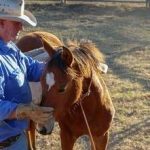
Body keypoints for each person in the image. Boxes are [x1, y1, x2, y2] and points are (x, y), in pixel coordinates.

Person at [0, 0, 54, 149]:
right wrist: (22, 110)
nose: (22, 27)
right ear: (1, 22)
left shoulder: (10, 48)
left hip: (17, 139)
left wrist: (58, 66)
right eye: (17, 22)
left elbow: (32, 68)